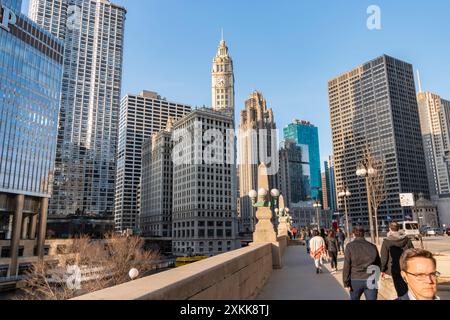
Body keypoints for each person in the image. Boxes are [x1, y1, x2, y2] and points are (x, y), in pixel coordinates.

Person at [343, 226, 381, 301]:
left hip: (355, 279)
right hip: (371, 279)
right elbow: (378, 264)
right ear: (364, 234)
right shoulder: (372, 246)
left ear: (353, 234)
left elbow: (347, 265)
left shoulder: (349, 246)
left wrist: (346, 282)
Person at [380, 222, 414, 297]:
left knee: (399, 289)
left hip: (394, 268)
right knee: (406, 288)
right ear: (399, 228)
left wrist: (382, 270)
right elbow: (412, 254)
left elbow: (384, 257)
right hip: (406, 267)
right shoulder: (407, 240)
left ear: (389, 229)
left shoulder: (387, 241)